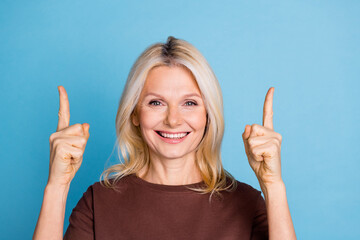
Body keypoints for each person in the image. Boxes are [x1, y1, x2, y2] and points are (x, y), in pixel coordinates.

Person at [33, 36, 296, 240]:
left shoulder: (247, 202)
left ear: (209, 115)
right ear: (135, 113)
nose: (173, 119)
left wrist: (273, 186)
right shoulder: (98, 202)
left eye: (190, 103)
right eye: (156, 102)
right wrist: (57, 186)